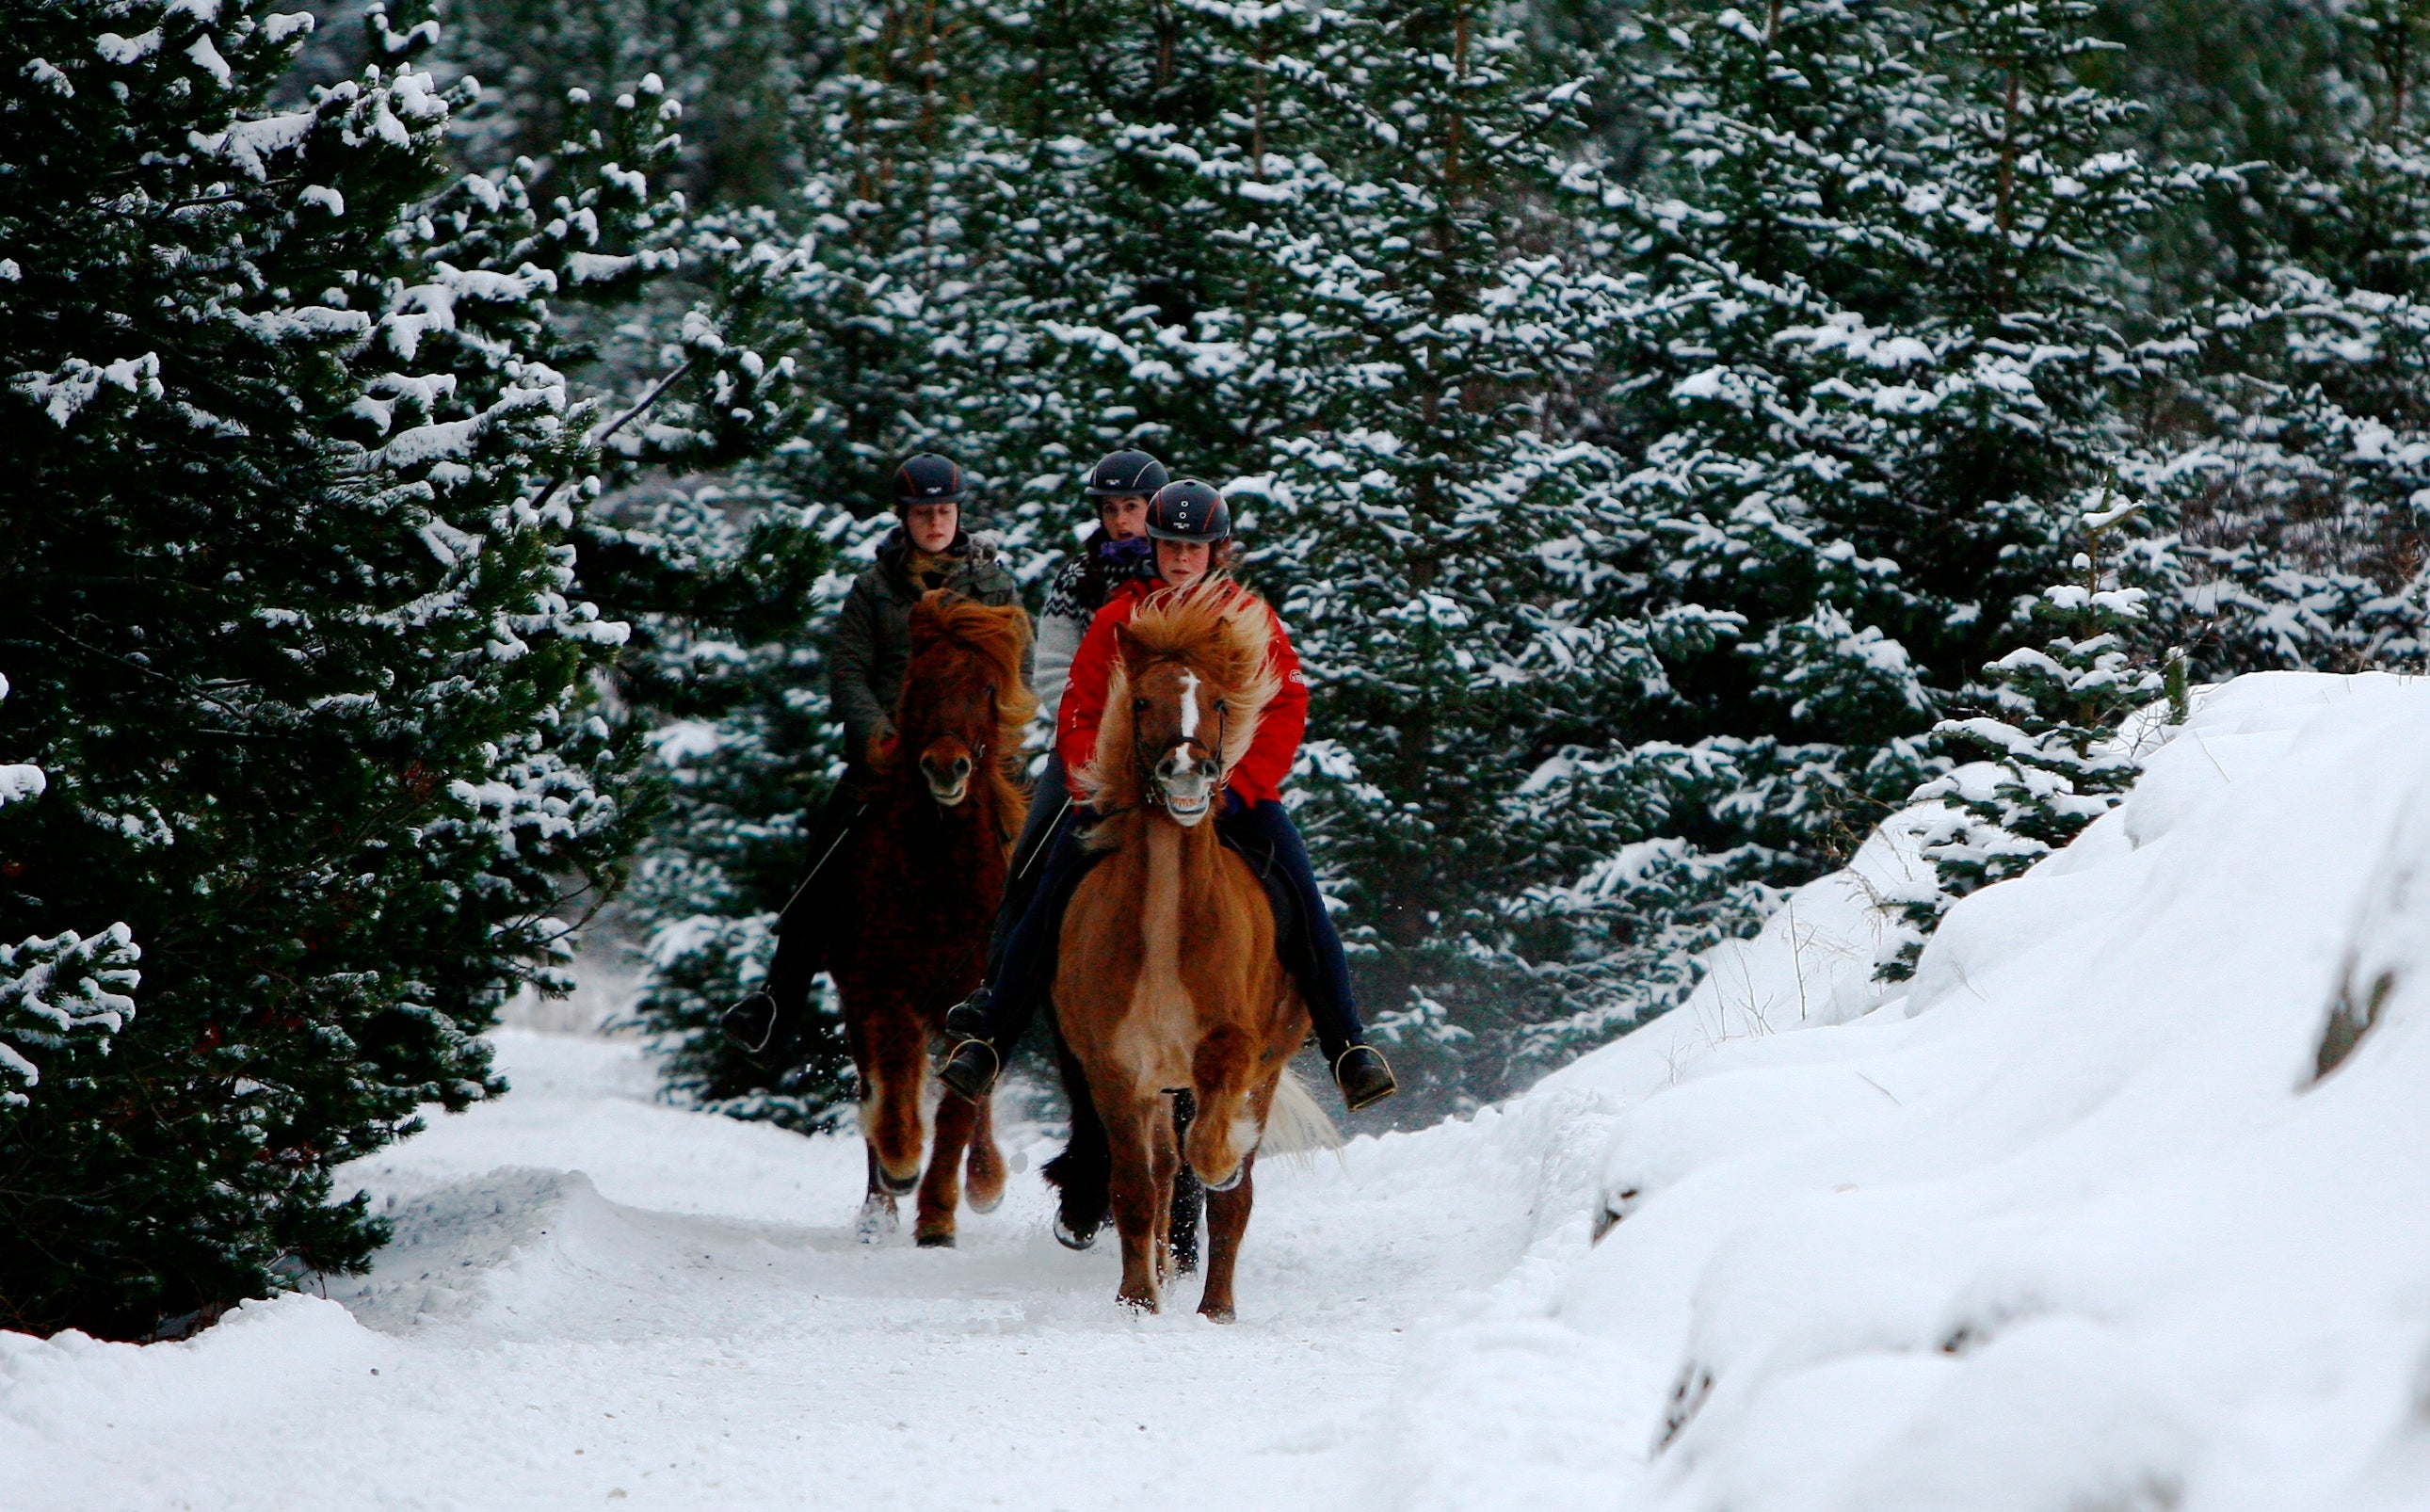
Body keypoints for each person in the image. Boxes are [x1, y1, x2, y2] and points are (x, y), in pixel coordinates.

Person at [935, 478, 1399, 1112]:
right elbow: (1081, 707)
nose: (1182, 558)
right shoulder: (1119, 617)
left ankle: (1348, 1046)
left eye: (1196, 547)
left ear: (1218, 551)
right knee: (1048, 893)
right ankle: (990, 1037)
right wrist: (1097, 781)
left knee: (1299, 893)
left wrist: (1240, 786)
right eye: (1171, 545)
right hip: (1129, 797)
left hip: (1231, 792)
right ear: (1152, 546)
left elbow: (1287, 704)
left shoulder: (1250, 618)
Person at [722, 452, 1024, 1059]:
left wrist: (994, 741)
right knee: (822, 862)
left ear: (958, 513)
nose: (935, 521)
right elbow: (849, 671)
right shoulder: (873, 587)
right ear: (903, 517)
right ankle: (778, 998)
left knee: (1033, 863)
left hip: (973, 751)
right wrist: (878, 735)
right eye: (923, 512)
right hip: (888, 761)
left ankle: (1023, 995)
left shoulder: (993, 585)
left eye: (944, 510)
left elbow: (1014, 669)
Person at [992, 448, 1167, 952]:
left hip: (1177, 742)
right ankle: (996, 981)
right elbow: (1052, 671)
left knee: (1265, 848)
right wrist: (1098, 737)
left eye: (1130, 507)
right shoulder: (1076, 579)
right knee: (1033, 850)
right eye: (1109, 510)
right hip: (1087, 740)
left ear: (1154, 507)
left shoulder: (1182, 568)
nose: (1120, 520)